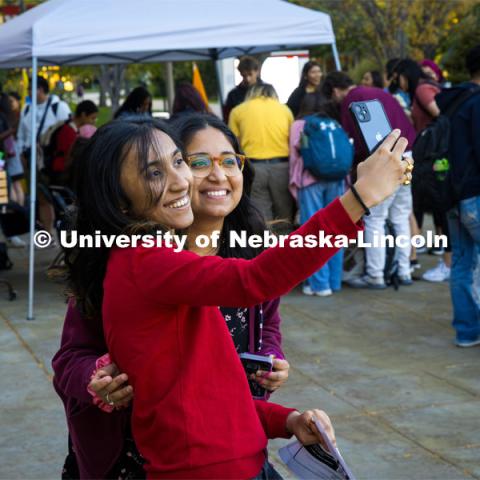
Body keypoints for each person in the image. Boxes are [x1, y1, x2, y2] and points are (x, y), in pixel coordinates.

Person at [63, 115, 410, 478]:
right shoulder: (144, 263)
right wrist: (359, 198)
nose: (180, 180)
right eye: (155, 173)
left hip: (239, 461)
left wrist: (286, 418)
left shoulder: (184, 261)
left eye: (178, 162)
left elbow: (207, 396)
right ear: (119, 201)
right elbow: (256, 280)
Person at [54, 113, 290, 478]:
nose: (218, 175)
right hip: (133, 461)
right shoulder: (128, 263)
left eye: (230, 161)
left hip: (225, 449)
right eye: (197, 162)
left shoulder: (247, 255)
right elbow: (69, 359)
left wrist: (268, 360)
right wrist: (95, 378)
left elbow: (267, 324)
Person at [322, 71, 416, 288]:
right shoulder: (379, 93)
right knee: (400, 215)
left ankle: (375, 275)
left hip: (383, 159)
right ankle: (404, 272)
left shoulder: (350, 100)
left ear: (335, 90)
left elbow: (353, 141)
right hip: (407, 153)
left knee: (376, 220)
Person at [438, 44, 480, 347]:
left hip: (452, 195)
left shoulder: (452, 101)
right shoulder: (476, 104)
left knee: (463, 263)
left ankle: (467, 332)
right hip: (476, 195)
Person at [394, 59, 451, 282]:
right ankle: (423, 256)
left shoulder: (421, 89)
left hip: (432, 156)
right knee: (426, 207)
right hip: (433, 156)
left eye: (398, 77)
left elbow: (441, 115)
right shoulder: (424, 89)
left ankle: (445, 261)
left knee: (433, 207)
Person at [289, 93, 346, 296]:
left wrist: (293, 185)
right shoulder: (333, 123)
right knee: (335, 231)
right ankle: (334, 280)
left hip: (310, 181)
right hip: (337, 180)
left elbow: (295, 156)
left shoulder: (299, 125)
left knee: (313, 233)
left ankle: (319, 284)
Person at [229, 83, 294, 229]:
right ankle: (286, 247)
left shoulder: (238, 111)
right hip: (282, 167)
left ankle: (265, 247)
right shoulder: (285, 110)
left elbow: (234, 145)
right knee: (284, 215)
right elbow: (292, 139)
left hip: (253, 168)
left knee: (261, 215)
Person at [17, 76, 71, 237]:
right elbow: (21, 135)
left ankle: (64, 229)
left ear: (39, 89)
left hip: (52, 160)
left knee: (57, 196)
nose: (28, 92)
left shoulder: (58, 106)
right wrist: (22, 153)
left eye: (30, 89)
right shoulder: (26, 109)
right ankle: (48, 233)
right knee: (40, 196)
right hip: (32, 159)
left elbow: (68, 133)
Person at [47, 100, 98, 185]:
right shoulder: (68, 131)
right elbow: (68, 154)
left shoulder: (74, 129)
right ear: (83, 115)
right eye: (92, 118)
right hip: (62, 173)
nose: (93, 121)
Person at [223, 56, 262, 123]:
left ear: (257, 71)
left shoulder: (266, 91)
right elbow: (227, 118)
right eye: (244, 75)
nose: (247, 79)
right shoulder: (233, 94)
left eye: (250, 74)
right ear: (240, 73)